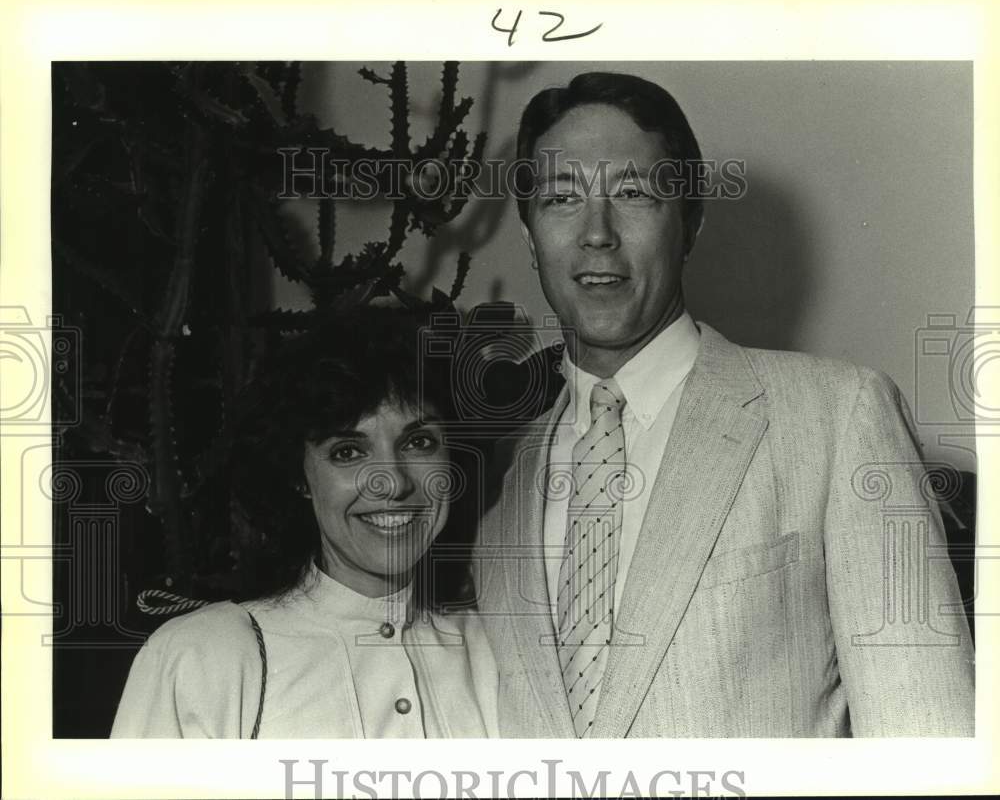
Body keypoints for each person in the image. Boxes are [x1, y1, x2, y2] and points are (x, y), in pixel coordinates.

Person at [474, 71, 975, 737]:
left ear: (691, 222)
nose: (596, 232)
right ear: (532, 237)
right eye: (562, 198)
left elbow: (927, 739)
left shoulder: (837, 415)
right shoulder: (504, 480)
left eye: (633, 192)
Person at [112, 306, 498, 738]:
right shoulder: (201, 656)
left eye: (419, 442)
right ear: (299, 476)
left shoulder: (496, 652)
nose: (392, 482)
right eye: (348, 451)